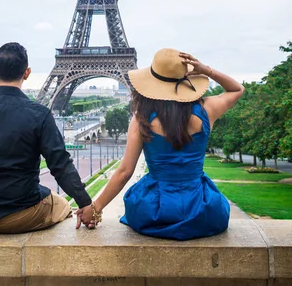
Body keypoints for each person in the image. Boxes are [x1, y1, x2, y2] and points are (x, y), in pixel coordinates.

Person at [76, 48, 245, 240]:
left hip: (155, 212)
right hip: (203, 209)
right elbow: (237, 89)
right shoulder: (207, 110)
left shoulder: (142, 118)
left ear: (151, 83)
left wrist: (95, 208)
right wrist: (206, 70)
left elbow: (125, 172)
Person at [0, 42, 91, 233]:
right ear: (27, 73)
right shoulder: (39, 114)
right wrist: (85, 203)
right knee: (62, 205)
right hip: (22, 214)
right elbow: (60, 166)